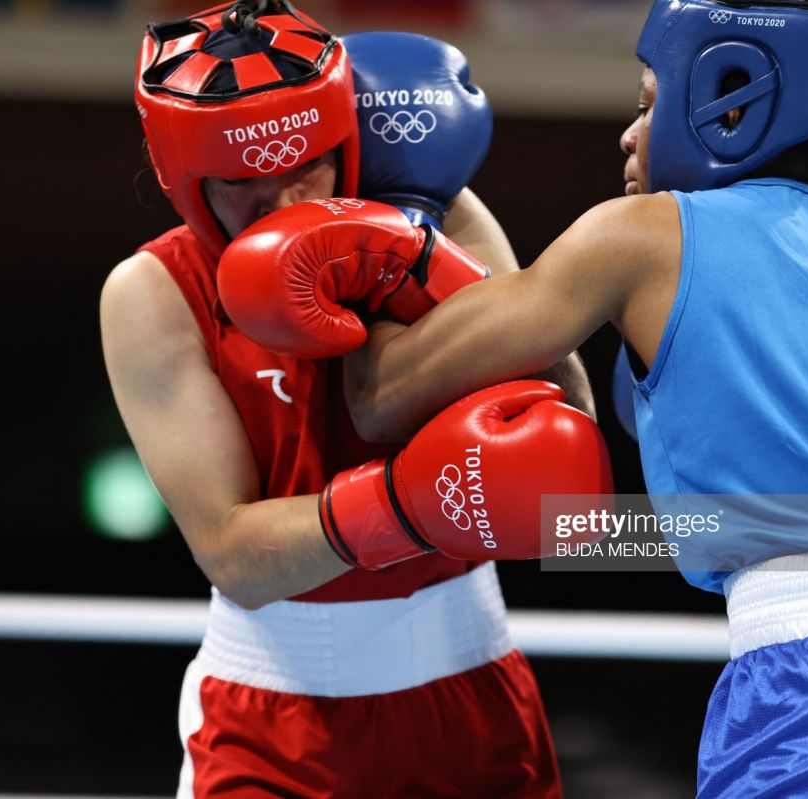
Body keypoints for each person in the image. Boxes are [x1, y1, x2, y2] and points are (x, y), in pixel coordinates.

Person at [214, 0, 808, 794]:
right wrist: (732, 536)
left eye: (646, 102)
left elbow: (384, 397)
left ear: (728, 97)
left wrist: (405, 218)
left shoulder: (638, 234)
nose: (629, 134)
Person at [100, 1, 612, 796]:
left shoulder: (439, 217)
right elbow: (235, 556)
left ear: (344, 138)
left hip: (471, 699)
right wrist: (407, 502)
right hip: (272, 724)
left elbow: (564, 455)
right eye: (239, 180)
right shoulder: (156, 292)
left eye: (303, 164)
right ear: (184, 181)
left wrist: (419, 265)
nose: (277, 202)